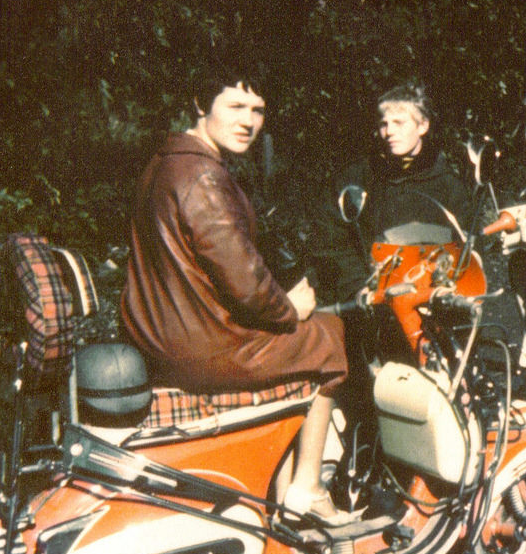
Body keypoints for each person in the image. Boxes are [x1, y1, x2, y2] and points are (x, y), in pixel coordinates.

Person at [120, 71, 352, 523]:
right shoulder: (202, 176)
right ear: (200, 104)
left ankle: (280, 487)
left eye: (258, 110)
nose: (248, 121)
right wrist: (290, 308)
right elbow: (244, 281)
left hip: (163, 338)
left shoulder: (163, 163)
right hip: (204, 345)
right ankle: (308, 489)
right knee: (329, 336)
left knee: (304, 334)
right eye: (235, 107)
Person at [328, 83, 471, 301]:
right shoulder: (360, 178)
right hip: (376, 300)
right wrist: (357, 287)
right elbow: (334, 240)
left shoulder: (448, 185)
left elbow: (469, 244)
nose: (389, 132)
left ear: (422, 126)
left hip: (436, 298)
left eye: (399, 123)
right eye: (383, 124)